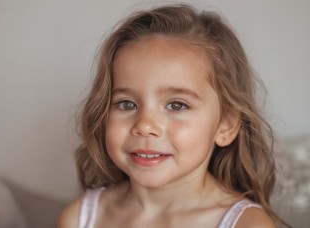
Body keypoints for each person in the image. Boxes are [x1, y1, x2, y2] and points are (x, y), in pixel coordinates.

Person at [57, 4, 289, 228]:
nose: (145, 126)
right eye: (126, 104)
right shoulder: (79, 219)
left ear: (225, 126)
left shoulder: (247, 225)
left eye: (177, 105)